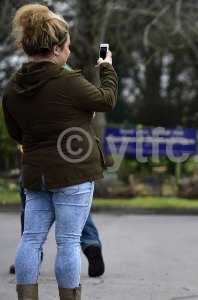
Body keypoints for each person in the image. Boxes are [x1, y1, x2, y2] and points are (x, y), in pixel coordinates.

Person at [2, 3, 118, 300]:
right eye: (66, 46)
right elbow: (106, 100)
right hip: (73, 171)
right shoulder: (67, 81)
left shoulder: (13, 86)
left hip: (35, 173)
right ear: (55, 48)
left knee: (31, 239)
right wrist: (106, 68)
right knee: (68, 241)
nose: (68, 51)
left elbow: (17, 132)